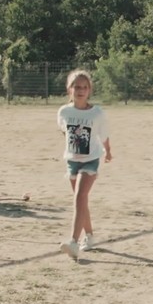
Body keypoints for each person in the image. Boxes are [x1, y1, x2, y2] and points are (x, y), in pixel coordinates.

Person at [58, 69, 112, 260]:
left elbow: (103, 135)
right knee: (81, 200)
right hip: (72, 161)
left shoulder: (97, 113)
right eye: (76, 87)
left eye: (84, 87)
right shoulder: (64, 112)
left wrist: (108, 151)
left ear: (89, 90)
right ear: (69, 89)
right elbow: (64, 131)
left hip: (91, 160)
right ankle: (89, 235)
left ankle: (73, 241)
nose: (80, 90)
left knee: (80, 197)